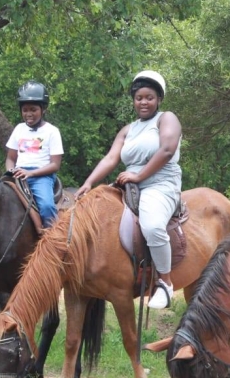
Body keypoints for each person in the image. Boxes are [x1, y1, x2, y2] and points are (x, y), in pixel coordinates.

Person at [75, 70, 182, 310]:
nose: (144, 102)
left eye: (150, 97)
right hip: (130, 184)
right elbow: (111, 158)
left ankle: (165, 282)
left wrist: (139, 175)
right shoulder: (128, 129)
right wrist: (89, 183)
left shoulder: (167, 119)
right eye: (139, 98)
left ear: (159, 99)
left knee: (153, 225)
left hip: (160, 183)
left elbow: (166, 150)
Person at [5, 80, 64, 228]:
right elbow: (10, 158)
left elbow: (55, 165)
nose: (28, 114)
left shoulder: (52, 131)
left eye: (33, 109)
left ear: (43, 109)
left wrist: (31, 174)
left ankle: (53, 240)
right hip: (18, 174)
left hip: (41, 176)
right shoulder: (19, 129)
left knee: (46, 206)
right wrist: (11, 171)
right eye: (25, 110)